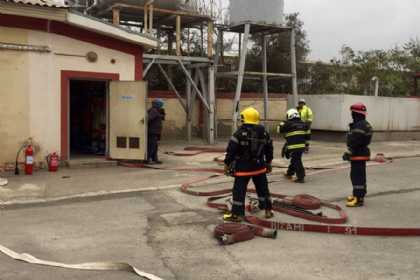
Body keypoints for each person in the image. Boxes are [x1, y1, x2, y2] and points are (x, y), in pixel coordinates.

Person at [223, 107, 274, 222]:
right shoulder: (264, 132)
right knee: (263, 189)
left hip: (243, 169)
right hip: (259, 168)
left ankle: (237, 215)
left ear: (244, 119)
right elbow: (269, 149)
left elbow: (231, 151)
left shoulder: (239, 133)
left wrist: (226, 164)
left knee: (239, 191)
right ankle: (268, 210)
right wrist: (268, 163)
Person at [342, 103, 373, 207]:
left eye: (352, 113)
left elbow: (355, 142)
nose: (351, 115)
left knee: (357, 176)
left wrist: (348, 153)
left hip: (358, 154)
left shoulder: (359, 125)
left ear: (356, 114)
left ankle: (359, 199)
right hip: (361, 153)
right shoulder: (365, 124)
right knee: (359, 175)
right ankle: (358, 195)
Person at [280, 108, 308, 183]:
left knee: (296, 160)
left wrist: (282, 123)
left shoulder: (288, 123)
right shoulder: (303, 123)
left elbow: (279, 130)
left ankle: (301, 177)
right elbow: (308, 135)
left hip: (293, 146)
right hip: (302, 146)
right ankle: (289, 173)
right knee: (295, 159)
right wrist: (307, 145)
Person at [147, 98, 166, 164]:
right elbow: (148, 119)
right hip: (152, 132)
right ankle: (148, 159)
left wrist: (161, 114)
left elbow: (162, 118)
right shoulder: (153, 111)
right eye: (160, 103)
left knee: (155, 146)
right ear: (157, 104)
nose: (162, 105)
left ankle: (155, 159)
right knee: (151, 146)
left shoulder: (157, 110)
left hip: (155, 132)